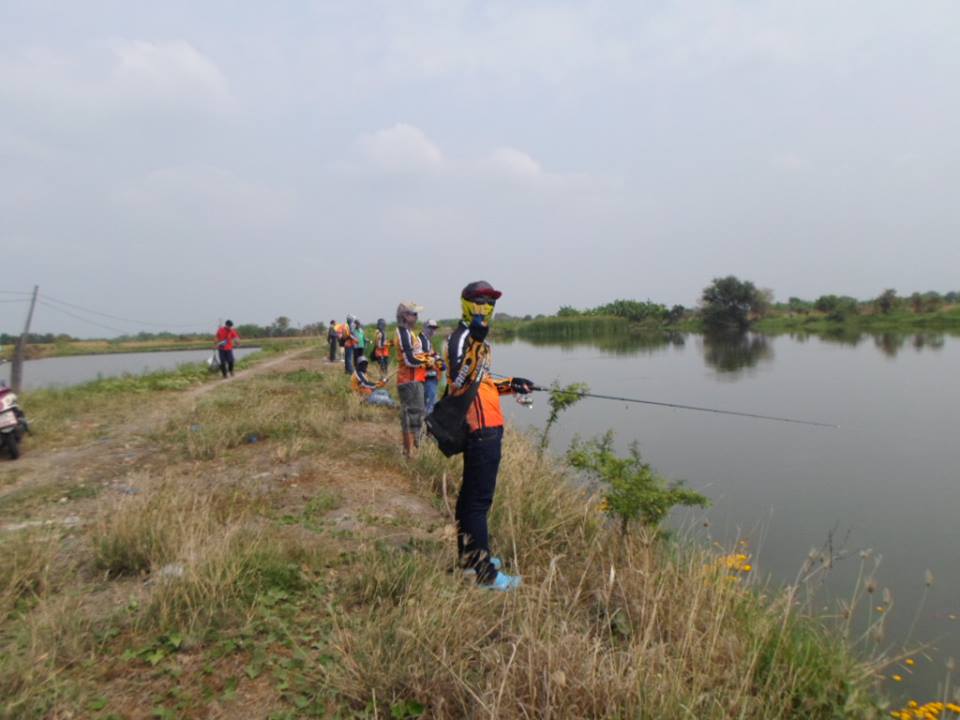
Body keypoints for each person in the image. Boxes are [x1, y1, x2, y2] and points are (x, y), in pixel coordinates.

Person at [443, 281, 534, 591]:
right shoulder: (462, 339)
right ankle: (485, 575)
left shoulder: (476, 340)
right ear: (466, 304)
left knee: (471, 500)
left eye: (490, 301)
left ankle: (470, 563)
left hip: (489, 426)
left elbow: (483, 382)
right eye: (479, 300)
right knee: (478, 504)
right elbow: (458, 382)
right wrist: (475, 343)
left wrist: (512, 384)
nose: (485, 307)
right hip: (480, 430)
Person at [395, 301, 429, 458]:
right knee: (411, 417)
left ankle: (414, 451)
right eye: (414, 314)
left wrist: (431, 358)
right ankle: (409, 454)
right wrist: (427, 362)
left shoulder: (410, 333)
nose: (417, 317)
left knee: (417, 416)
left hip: (416, 380)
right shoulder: (402, 333)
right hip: (409, 382)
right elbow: (409, 359)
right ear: (404, 316)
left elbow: (418, 354)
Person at [419, 319, 443, 415]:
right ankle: (427, 422)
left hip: (429, 376)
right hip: (427, 376)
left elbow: (432, 353)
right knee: (430, 402)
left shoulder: (427, 341)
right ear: (424, 328)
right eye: (430, 328)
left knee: (427, 401)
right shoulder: (421, 341)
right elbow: (423, 359)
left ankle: (424, 421)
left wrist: (439, 359)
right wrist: (436, 361)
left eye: (434, 328)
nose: (433, 330)